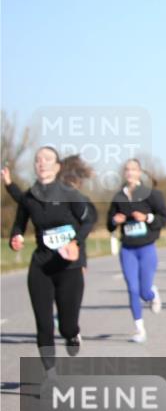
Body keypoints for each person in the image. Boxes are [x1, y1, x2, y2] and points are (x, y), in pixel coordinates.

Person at [8, 147, 97, 372]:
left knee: (67, 325)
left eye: (47, 159)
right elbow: (20, 223)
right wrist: (16, 236)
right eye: (37, 159)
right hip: (41, 265)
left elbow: (89, 219)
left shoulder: (69, 194)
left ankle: (72, 335)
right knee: (44, 325)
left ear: (57, 167)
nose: (41, 163)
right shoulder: (29, 197)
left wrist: (75, 241)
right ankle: (50, 374)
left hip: (69, 266)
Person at [107, 158, 166, 343]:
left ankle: (152, 294)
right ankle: (139, 329)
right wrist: (114, 221)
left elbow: (164, 217)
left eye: (133, 169)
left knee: (144, 291)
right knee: (132, 289)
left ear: (139, 172)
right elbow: (109, 224)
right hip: (127, 249)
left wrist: (147, 217)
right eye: (126, 170)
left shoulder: (151, 194)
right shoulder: (118, 197)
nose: (129, 173)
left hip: (146, 248)